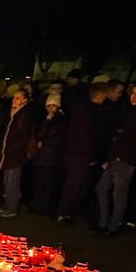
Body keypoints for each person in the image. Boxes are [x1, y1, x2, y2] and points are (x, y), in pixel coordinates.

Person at [96, 82, 136, 234]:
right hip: (116, 158)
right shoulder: (130, 111)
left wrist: (125, 158)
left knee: (119, 195)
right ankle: (104, 222)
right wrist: (110, 158)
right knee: (101, 189)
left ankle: (112, 226)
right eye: (133, 93)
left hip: (125, 161)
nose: (134, 97)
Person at [57, 82, 111, 222]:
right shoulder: (86, 111)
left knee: (77, 184)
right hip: (78, 154)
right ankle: (64, 212)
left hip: (76, 152)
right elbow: (85, 135)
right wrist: (91, 155)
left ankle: (70, 210)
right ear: (100, 95)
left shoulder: (82, 108)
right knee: (74, 184)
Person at [0, 89, 36, 217]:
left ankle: (11, 206)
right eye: (14, 98)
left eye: (18, 98)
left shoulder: (23, 115)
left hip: (15, 153)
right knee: (7, 179)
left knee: (12, 180)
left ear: (24, 100)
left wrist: (13, 146)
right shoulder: (14, 113)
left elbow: (23, 136)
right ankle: (8, 203)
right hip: (8, 152)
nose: (14, 100)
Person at [32, 93, 67, 215]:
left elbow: (56, 137)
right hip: (43, 156)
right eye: (49, 106)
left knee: (48, 182)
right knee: (40, 181)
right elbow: (40, 134)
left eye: (54, 106)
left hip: (53, 156)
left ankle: (44, 206)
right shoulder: (45, 119)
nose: (51, 109)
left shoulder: (61, 121)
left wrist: (44, 142)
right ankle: (37, 204)